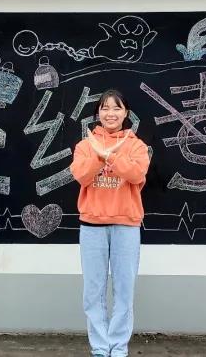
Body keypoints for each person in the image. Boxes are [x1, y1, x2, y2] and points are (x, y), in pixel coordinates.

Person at [69, 89, 151, 357]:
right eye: (105, 108)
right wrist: (99, 154)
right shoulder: (85, 146)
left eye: (116, 108)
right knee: (93, 292)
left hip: (126, 225)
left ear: (126, 113)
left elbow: (137, 174)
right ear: (98, 113)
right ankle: (100, 347)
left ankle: (118, 347)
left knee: (124, 290)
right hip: (92, 225)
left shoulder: (136, 145)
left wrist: (112, 155)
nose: (110, 113)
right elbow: (81, 175)